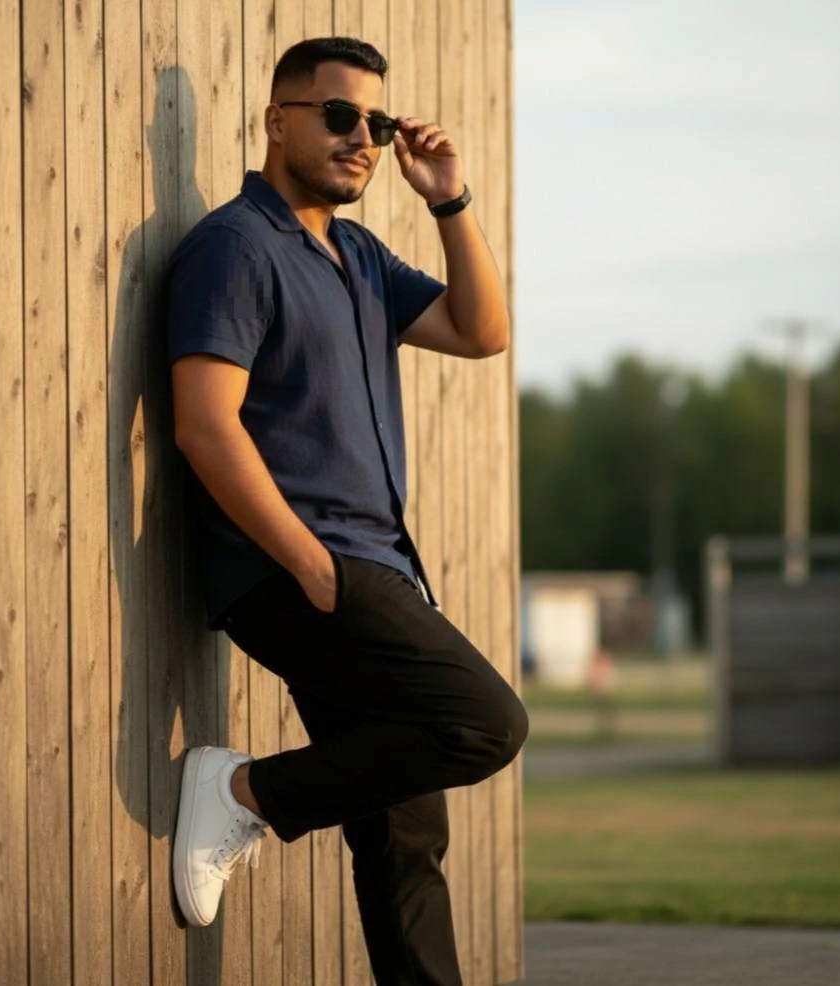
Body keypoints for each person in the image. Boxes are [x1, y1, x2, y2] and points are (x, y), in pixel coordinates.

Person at [165, 36, 528, 986]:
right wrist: (309, 565)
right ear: (276, 120)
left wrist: (448, 198)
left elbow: (481, 331)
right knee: (485, 723)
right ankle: (245, 790)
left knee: (405, 839)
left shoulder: (358, 253)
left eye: (375, 121)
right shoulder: (236, 247)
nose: (361, 138)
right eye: (337, 116)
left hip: (371, 567)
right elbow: (205, 425)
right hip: (302, 571)